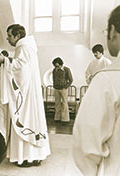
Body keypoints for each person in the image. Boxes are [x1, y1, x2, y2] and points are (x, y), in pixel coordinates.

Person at [0, 24, 50, 167]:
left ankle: (25, 157)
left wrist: (3, 60)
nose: (7, 38)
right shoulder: (28, 47)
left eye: (10, 35)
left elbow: (21, 71)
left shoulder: (23, 48)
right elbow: (21, 66)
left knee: (24, 119)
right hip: (30, 92)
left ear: (18, 36)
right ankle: (36, 156)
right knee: (32, 121)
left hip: (26, 93)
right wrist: (8, 59)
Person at [73, 5, 120, 176]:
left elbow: (86, 143)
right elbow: (87, 72)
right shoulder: (97, 68)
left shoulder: (108, 77)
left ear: (113, 31)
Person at [52, 57, 73, 123]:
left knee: (64, 103)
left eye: (57, 65)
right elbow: (54, 78)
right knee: (57, 104)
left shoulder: (66, 69)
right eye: (55, 66)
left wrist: (66, 86)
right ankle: (57, 118)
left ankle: (65, 119)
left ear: (61, 64)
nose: (56, 67)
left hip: (63, 89)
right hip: (56, 89)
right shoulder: (54, 70)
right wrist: (54, 85)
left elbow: (71, 80)